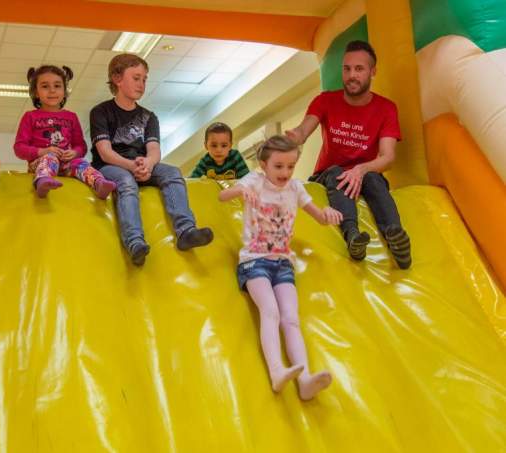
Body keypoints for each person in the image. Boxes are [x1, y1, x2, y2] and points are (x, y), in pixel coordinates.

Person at [219, 135, 341, 399]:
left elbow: (319, 217)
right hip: (254, 261)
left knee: (291, 319)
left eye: (290, 166)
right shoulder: (254, 181)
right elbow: (222, 195)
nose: (285, 172)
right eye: (278, 166)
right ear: (264, 164)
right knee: (271, 312)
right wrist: (239, 190)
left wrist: (328, 215)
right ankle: (277, 371)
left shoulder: (296, 188)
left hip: (283, 264)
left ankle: (305, 379)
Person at [286, 40, 411, 268]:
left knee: (374, 179)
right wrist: (295, 136)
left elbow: (387, 157)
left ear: (373, 72)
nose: (351, 75)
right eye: (347, 69)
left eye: (359, 69)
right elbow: (304, 130)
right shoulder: (325, 100)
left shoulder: (386, 108)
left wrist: (361, 169)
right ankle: (353, 236)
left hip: (365, 174)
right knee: (336, 173)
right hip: (328, 175)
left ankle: (397, 239)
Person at [89, 53, 213, 266]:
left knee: (172, 173)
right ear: (117, 79)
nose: (142, 84)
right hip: (111, 166)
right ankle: (134, 241)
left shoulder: (149, 117)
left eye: (145, 79)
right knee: (127, 183)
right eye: (136, 78)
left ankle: (186, 231)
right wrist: (132, 166)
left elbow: (154, 149)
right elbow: (105, 151)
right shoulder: (101, 112)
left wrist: (148, 163)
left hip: (141, 165)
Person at [14, 65, 116, 199]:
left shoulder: (71, 117)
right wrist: (43, 151)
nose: (52, 90)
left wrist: (74, 152)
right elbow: (19, 148)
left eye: (57, 86)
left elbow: (81, 146)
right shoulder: (30, 116)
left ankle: (99, 183)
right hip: (40, 163)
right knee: (50, 158)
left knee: (81, 162)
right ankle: (42, 181)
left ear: (64, 91)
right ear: (36, 92)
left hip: (66, 164)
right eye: (45, 86)